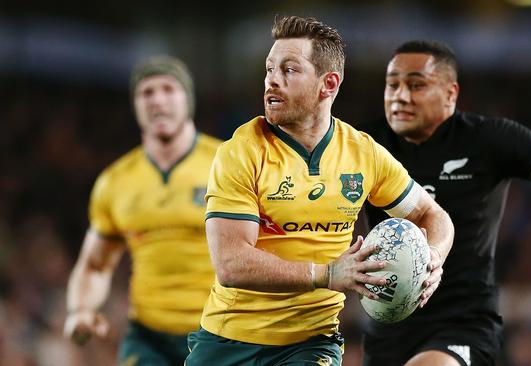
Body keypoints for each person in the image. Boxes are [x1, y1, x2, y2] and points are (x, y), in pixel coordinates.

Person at [184, 16, 455, 366]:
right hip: (229, 340)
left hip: (311, 344)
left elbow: (433, 215)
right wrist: (327, 274)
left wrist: (433, 256)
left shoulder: (362, 154)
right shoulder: (242, 151)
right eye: (269, 69)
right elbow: (231, 262)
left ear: (328, 84)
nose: (271, 80)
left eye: (289, 70)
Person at [358, 40, 531, 366]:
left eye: (416, 85)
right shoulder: (365, 147)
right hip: (386, 327)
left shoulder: (485, 140)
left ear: (450, 94)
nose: (400, 95)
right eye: (392, 84)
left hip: (462, 325)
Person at [63, 55, 223, 365]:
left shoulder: (228, 163)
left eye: (168, 89)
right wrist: (81, 309)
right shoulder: (115, 181)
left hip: (221, 332)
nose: (157, 100)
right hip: (149, 337)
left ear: (187, 99)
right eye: (146, 92)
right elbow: (95, 265)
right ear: (135, 104)